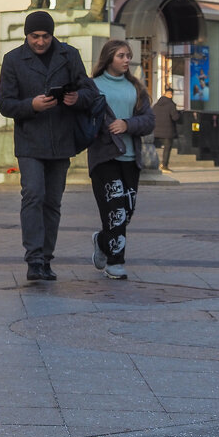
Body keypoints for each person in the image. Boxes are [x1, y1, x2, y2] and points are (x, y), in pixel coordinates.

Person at [0, 10, 95, 281]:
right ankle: (34, 259)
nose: (40, 42)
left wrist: (78, 98)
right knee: (33, 194)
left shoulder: (69, 55)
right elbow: (4, 103)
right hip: (30, 141)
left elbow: (90, 91)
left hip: (62, 141)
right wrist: (32, 105)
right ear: (26, 35)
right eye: (35, 36)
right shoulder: (13, 59)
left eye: (46, 36)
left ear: (53, 35)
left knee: (52, 202)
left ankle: (46, 259)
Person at [87, 40, 155, 280]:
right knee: (114, 210)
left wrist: (128, 124)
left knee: (126, 212)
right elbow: (84, 118)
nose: (127, 60)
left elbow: (149, 120)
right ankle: (115, 263)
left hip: (130, 159)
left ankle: (103, 240)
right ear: (108, 58)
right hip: (104, 158)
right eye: (121, 56)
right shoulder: (93, 86)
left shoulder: (135, 87)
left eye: (128, 56)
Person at [151, 86, 182, 172]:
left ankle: (153, 164)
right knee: (167, 149)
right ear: (171, 94)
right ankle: (164, 165)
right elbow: (175, 118)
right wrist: (180, 114)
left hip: (155, 131)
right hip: (167, 132)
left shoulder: (156, 105)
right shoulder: (171, 105)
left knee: (153, 147)